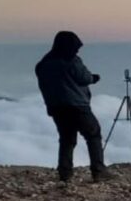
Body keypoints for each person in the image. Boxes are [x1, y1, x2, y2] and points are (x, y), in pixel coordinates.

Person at [35, 31, 112, 182]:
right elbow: (83, 78)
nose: (77, 50)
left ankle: (65, 173)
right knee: (93, 134)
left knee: (67, 139)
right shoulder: (72, 61)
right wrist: (94, 78)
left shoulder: (43, 63)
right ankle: (98, 171)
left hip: (56, 107)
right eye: (75, 47)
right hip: (77, 105)